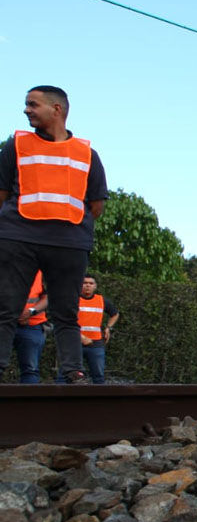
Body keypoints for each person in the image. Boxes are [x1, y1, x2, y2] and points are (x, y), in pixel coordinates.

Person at [0, 86, 109, 385]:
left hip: (67, 243)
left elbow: (96, 204)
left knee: (65, 312)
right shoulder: (16, 146)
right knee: (6, 307)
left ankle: (73, 371)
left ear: (57, 109)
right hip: (19, 238)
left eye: (33, 104)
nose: (26, 110)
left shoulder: (87, 154)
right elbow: (2, 193)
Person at [73, 274, 118, 384]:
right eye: (85, 283)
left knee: (98, 376)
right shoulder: (73, 299)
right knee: (70, 374)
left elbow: (115, 314)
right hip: (75, 342)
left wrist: (108, 327)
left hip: (96, 343)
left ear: (95, 286)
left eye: (91, 283)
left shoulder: (102, 301)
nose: (87, 285)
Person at [13, 270, 47, 383]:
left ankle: (28, 400)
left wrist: (30, 312)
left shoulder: (41, 270)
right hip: (5, 324)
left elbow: (49, 296)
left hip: (32, 324)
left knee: (31, 369)